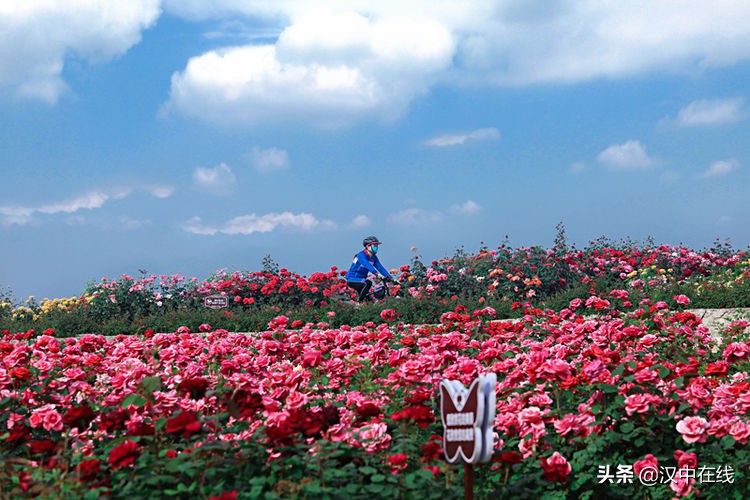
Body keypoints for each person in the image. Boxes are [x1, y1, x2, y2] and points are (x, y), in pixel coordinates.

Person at [346, 236, 395, 302]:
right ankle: (358, 303)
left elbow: (381, 268)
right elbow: (367, 265)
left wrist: (391, 278)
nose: (376, 247)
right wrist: (377, 274)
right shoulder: (361, 255)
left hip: (362, 280)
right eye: (374, 245)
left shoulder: (374, 257)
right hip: (352, 279)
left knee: (370, 301)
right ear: (368, 246)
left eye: (377, 245)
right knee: (368, 283)